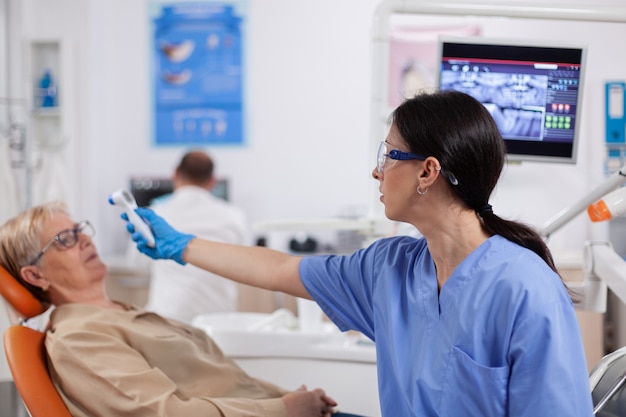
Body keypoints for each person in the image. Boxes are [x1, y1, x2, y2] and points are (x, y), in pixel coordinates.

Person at [124, 90, 595, 417]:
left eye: (388, 155)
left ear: (427, 172)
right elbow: (282, 268)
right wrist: (181, 246)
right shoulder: (389, 269)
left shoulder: (524, 289)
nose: (377, 172)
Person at [0, 201, 361, 417]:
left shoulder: (122, 313)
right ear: (36, 274)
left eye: (79, 229)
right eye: (64, 240)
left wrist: (287, 398)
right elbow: (166, 414)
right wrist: (285, 409)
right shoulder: (80, 338)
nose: (84, 240)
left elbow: (224, 385)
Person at [131, 149, 249, 323]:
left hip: (169, 317)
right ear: (212, 181)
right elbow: (243, 263)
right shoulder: (234, 216)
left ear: (175, 173)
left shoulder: (154, 215)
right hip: (219, 320)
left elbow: (136, 265)